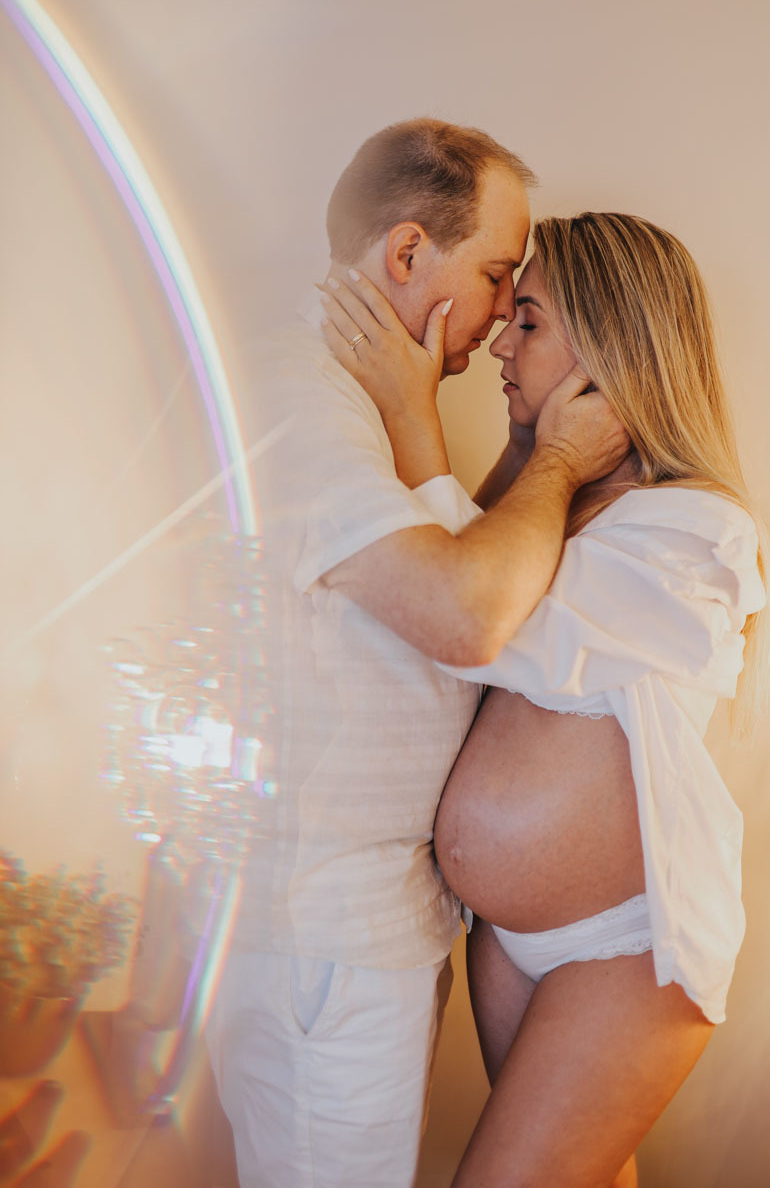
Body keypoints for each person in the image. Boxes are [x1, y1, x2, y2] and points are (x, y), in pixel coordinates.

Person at [204, 121, 628, 1187]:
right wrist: (556, 459)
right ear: (405, 253)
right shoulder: (299, 404)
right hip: (323, 950)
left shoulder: (357, 403)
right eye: (496, 275)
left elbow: (450, 566)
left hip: (361, 941)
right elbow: (467, 615)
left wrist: (504, 447)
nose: (503, 316)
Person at [320, 211, 770, 1187]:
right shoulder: (548, 507)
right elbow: (451, 593)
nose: (500, 345)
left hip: (624, 950)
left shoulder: (697, 530)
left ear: (611, 349)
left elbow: (491, 631)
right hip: (509, 940)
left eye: (527, 321)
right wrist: (537, 462)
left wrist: (421, 421)